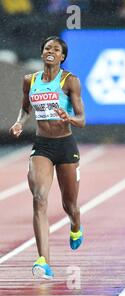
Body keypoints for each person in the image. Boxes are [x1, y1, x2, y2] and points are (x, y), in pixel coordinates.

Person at [9, 36, 86, 279]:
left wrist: (69, 118)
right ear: (42, 54)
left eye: (56, 49)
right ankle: (43, 261)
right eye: (46, 48)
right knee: (39, 198)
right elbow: (25, 108)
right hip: (42, 146)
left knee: (69, 205)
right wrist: (20, 122)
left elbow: (82, 119)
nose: (50, 51)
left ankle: (75, 225)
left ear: (62, 56)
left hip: (65, 146)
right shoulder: (29, 80)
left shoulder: (70, 81)